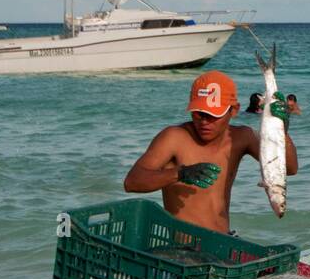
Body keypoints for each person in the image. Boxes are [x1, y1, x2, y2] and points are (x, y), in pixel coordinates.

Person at [123, 71, 297, 233]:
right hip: (182, 250)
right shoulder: (174, 138)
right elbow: (132, 182)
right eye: (199, 113)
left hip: (223, 240)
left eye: (213, 114)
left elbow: (290, 168)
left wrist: (282, 130)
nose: (205, 122)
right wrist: (180, 173)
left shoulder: (242, 137)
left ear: (234, 110)